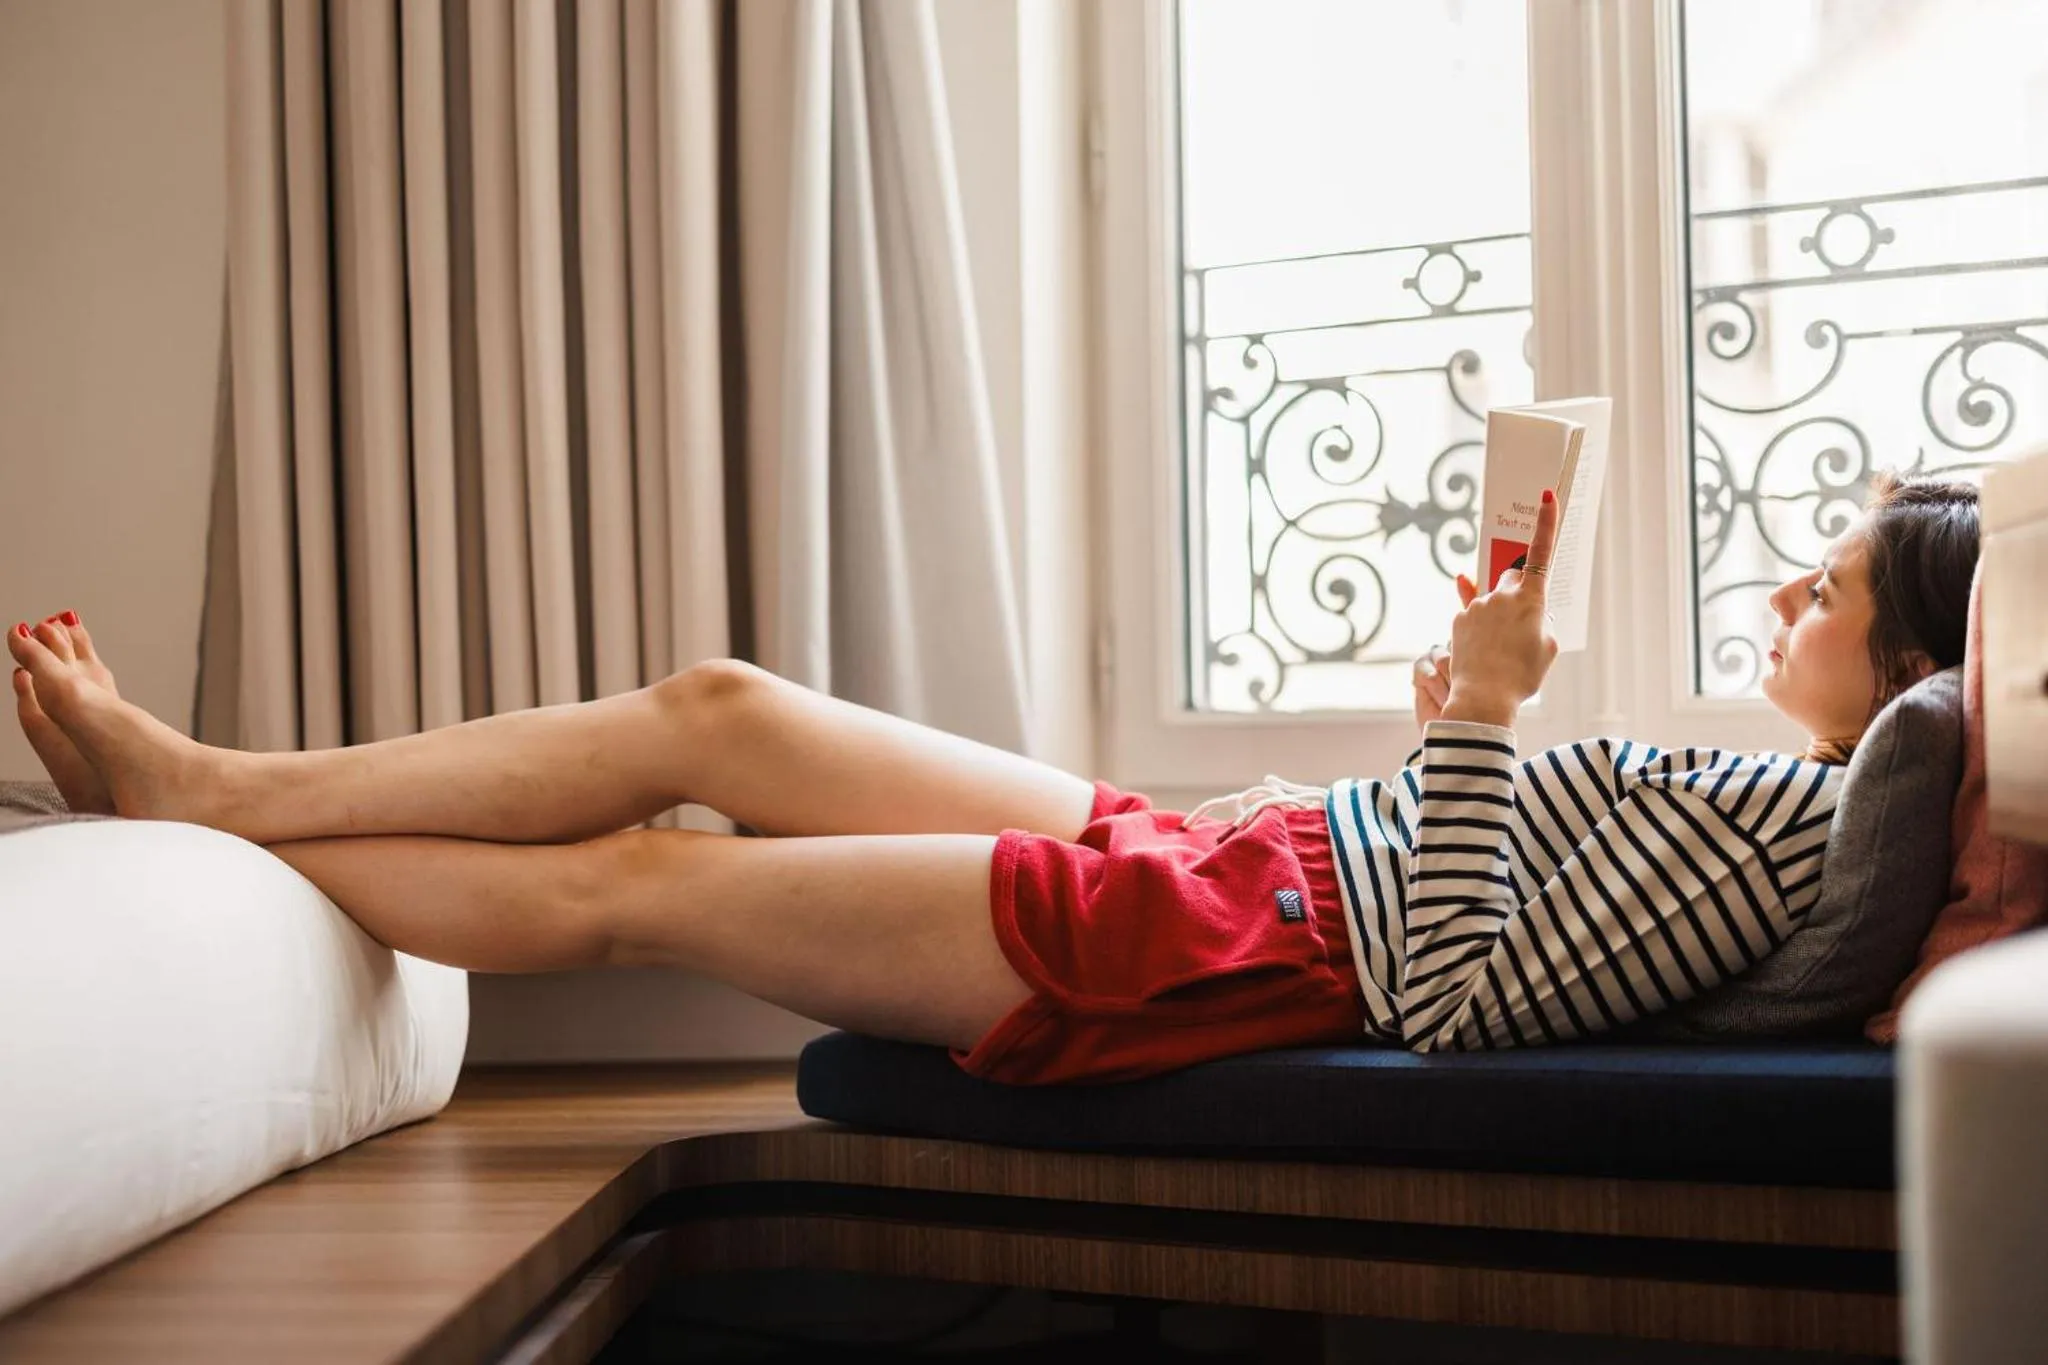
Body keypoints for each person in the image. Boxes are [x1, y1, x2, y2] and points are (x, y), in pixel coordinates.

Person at [7, 473, 1979, 1085]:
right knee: (725, 706)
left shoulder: (1803, 829)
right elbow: (1485, 895)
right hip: (1247, 854)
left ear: (1906, 662)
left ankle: (194, 798)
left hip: (1227, 942)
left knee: (652, 871)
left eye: (1838, 581)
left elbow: (1454, 1000)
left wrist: (1475, 721)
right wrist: (1457, 732)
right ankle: (218, 782)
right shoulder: (1783, 789)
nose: (1793, 580)